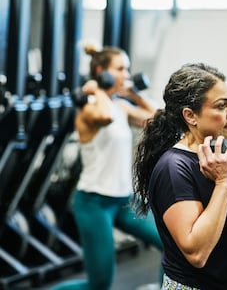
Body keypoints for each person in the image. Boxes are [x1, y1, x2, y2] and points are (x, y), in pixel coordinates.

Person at [132, 62, 227, 290]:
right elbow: (197, 253)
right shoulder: (174, 168)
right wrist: (224, 182)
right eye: (221, 106)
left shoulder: (223, 157)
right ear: (190, 115)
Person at [51, 45, 162, 290]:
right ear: (102, 71)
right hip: (94, 203)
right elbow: (105, 117)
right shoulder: (89, 107)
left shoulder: (120, 105)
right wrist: (98, 88)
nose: (126, 74)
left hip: (124, 200)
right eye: (120, 69)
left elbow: (160, 119)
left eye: (127, 69)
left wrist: (134, 94)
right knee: (99, 284)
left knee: (173, 245)